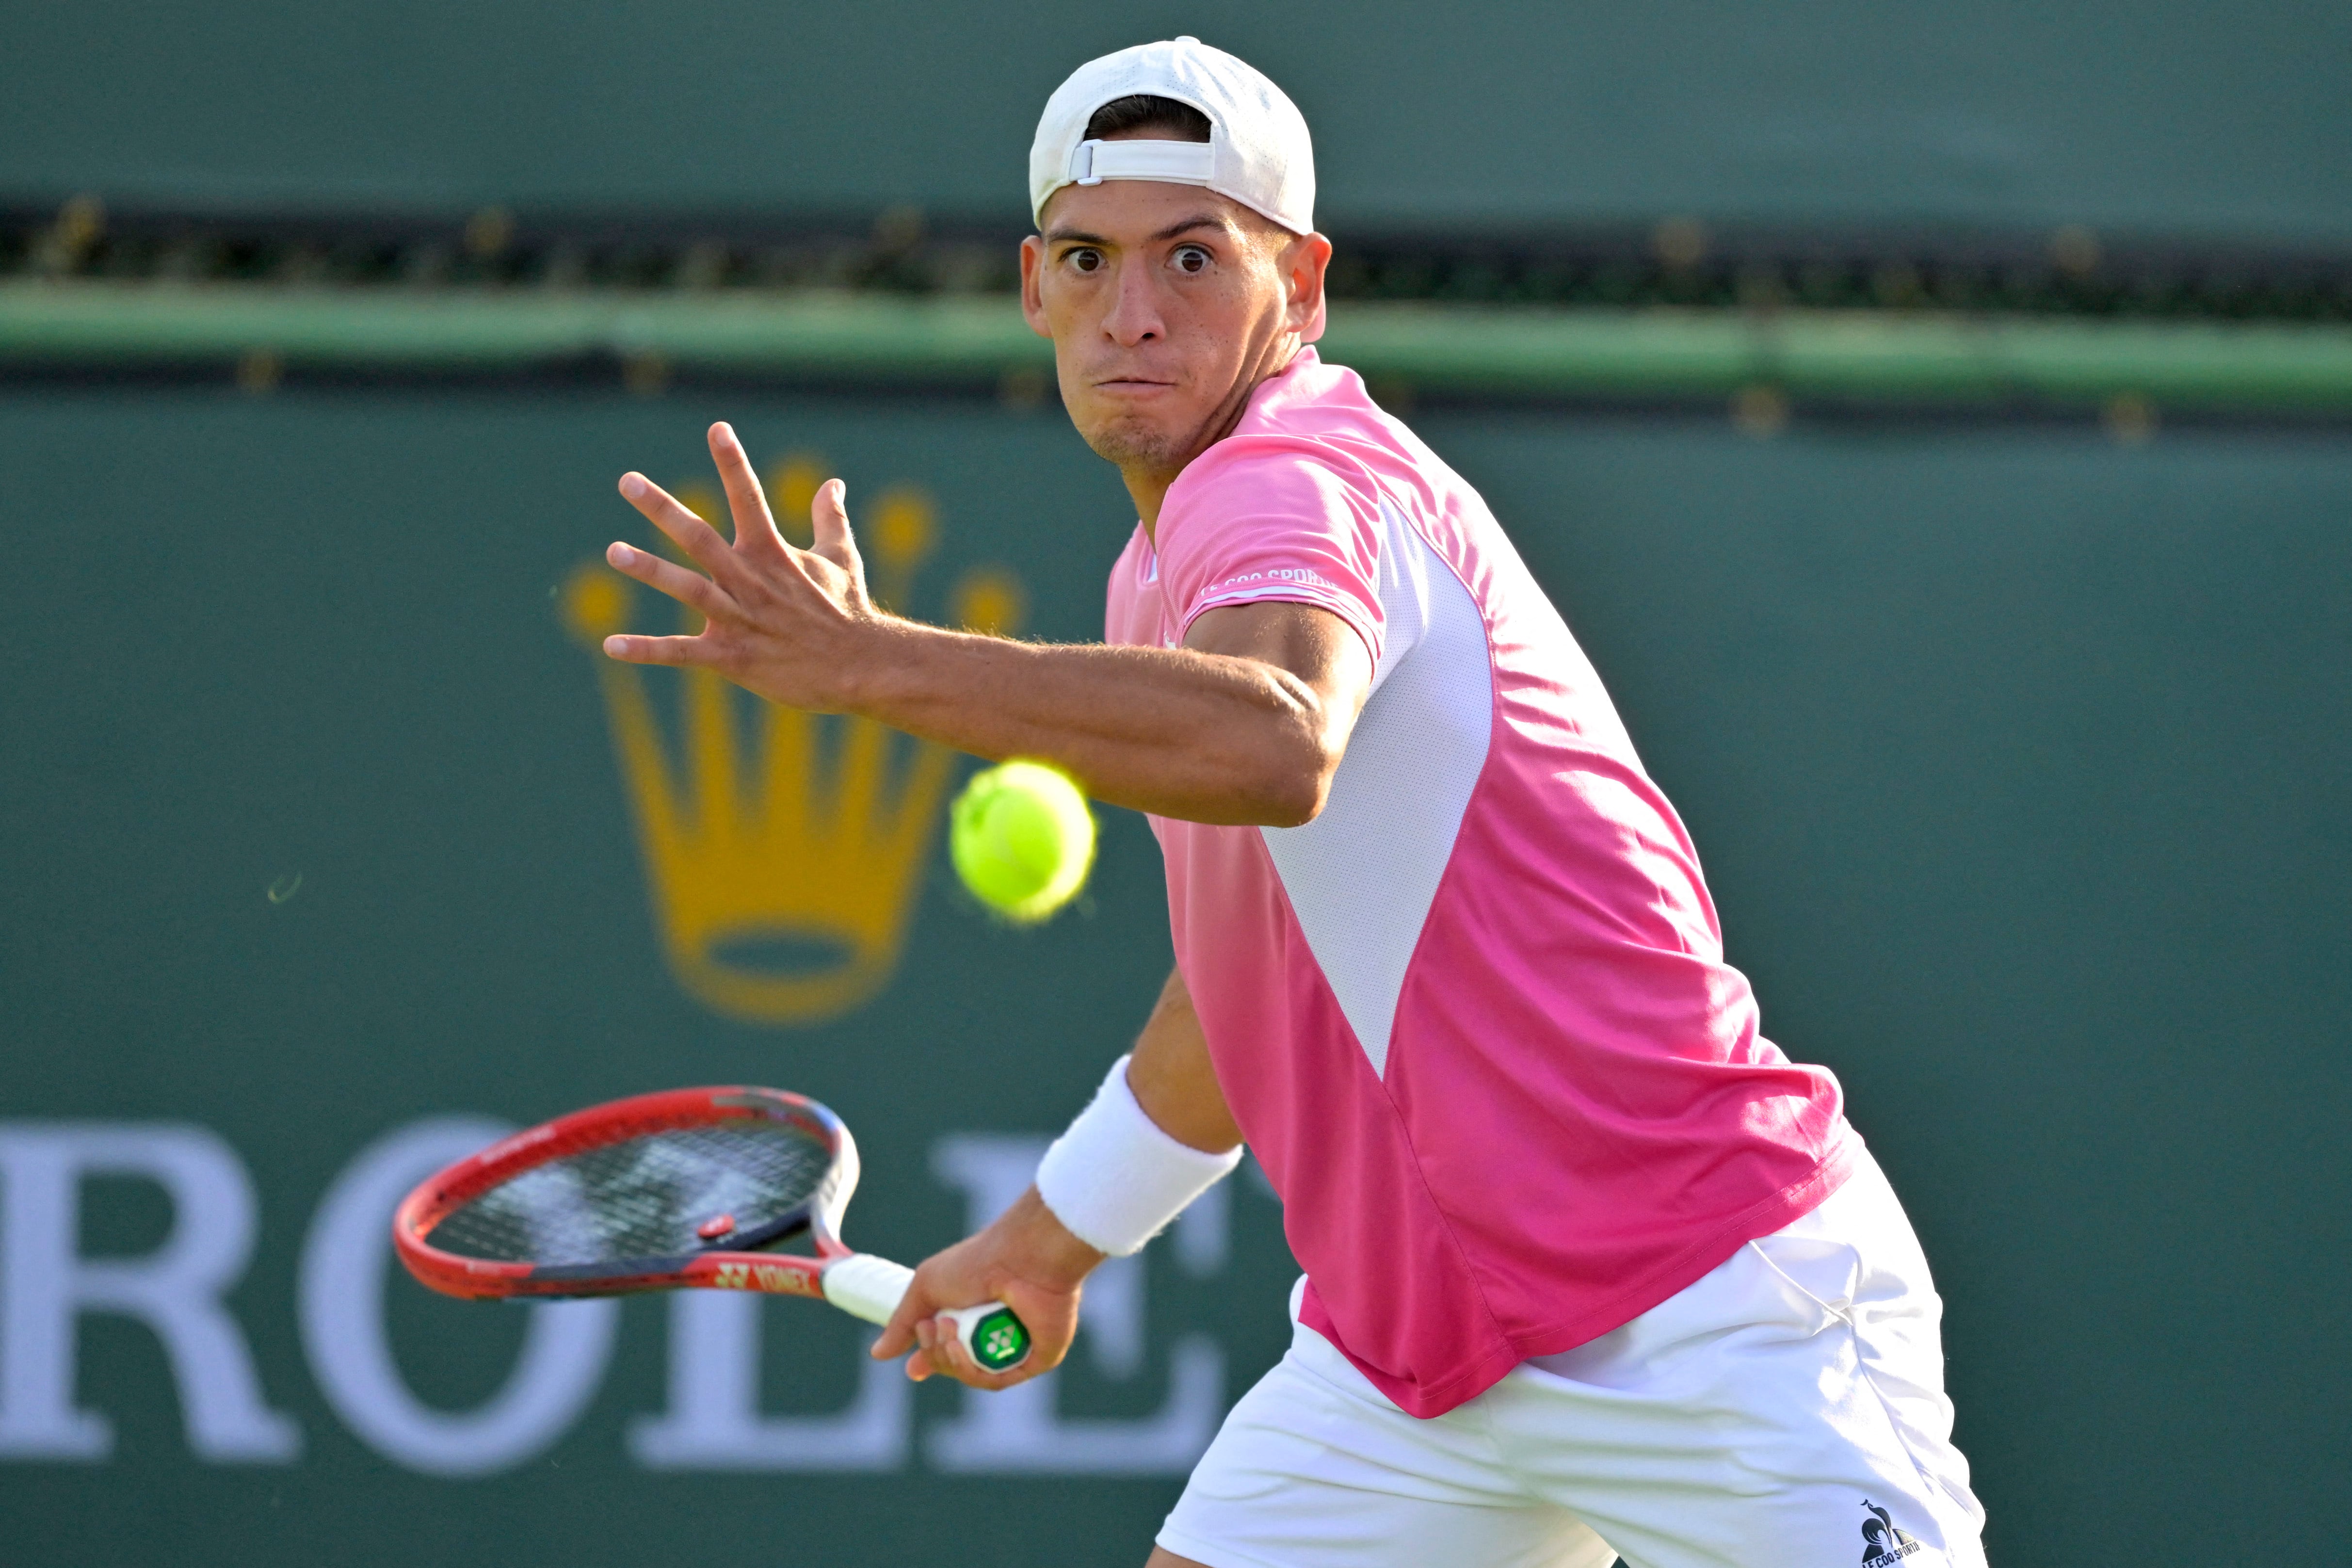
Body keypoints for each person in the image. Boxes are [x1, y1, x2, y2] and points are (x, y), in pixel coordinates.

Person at [599, 36, 1986, 1568]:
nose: (1133, 311)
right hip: (1418, 1363)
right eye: (1088, 257)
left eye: (1193, 258)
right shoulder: (1162, 570)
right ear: (1033, 287)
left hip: (1708, 1311)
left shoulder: (1290, 480)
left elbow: (1271, 740)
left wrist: (870, 666)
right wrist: (1056, 1238)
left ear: (1301, 290)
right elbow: (1260, 982)